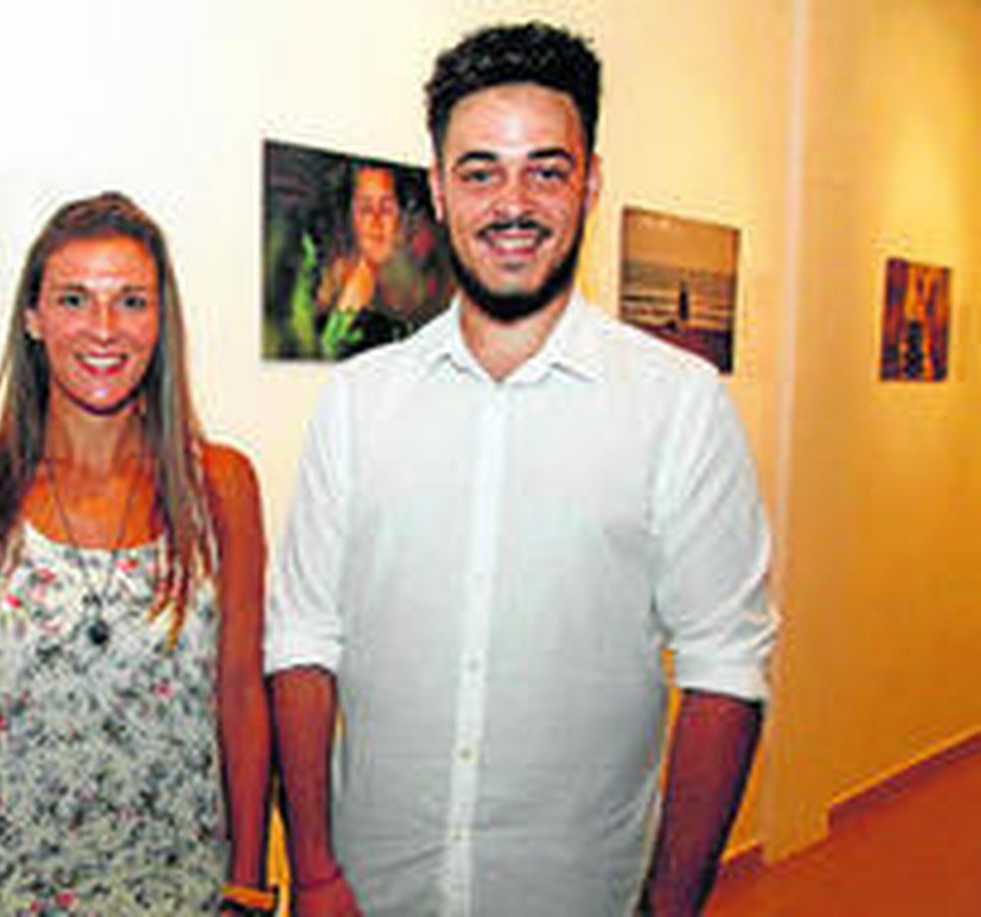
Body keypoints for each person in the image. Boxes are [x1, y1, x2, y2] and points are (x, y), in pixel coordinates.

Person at [267, 21, 777, 917]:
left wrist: (669, 904)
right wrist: (312, 870)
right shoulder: (358, 402)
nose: (513, 203)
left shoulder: (680, 407)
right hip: (375, 891)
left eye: (546, 170)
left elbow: (725, 669)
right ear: (438, 189)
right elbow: (303, 638)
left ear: (590, 183)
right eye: (480, 171)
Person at [0, 193, 272, 914]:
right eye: (73, 299)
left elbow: (243, 697)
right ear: (33, 318)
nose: (104, 328)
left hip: (180, 895)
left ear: (160, 322)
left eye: (132, 301)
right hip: (0, 896)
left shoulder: (220, 487)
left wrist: (247, 889)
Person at [312, 164, 417, 358]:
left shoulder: (415, 290)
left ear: (402, 218)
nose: (376, 221)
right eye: (366, 209)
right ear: (350, 219)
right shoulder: (332, 285)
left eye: (386, 208)